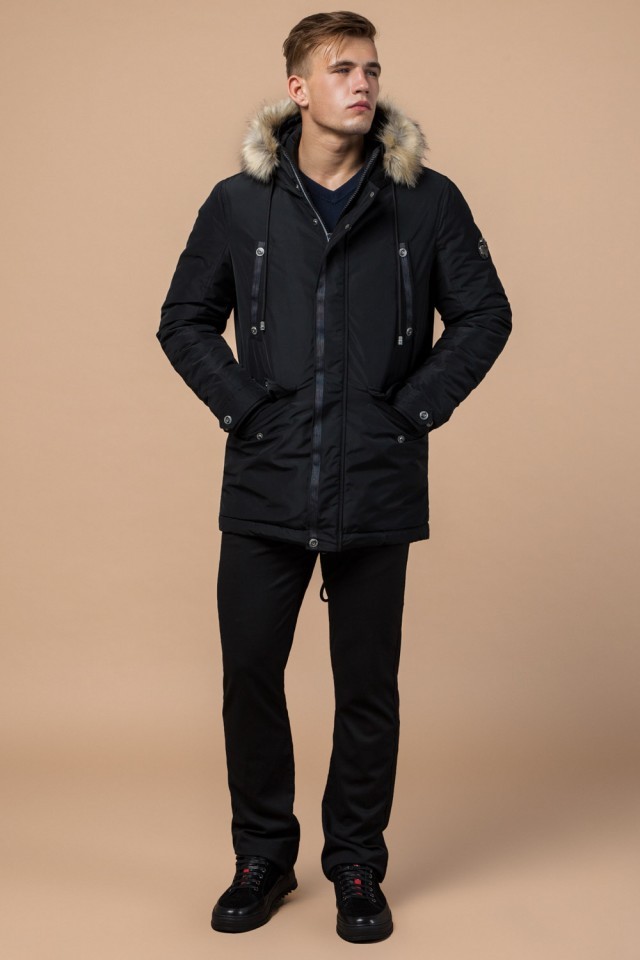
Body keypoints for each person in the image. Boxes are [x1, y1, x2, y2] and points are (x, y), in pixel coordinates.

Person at [156, 10, 512, 944]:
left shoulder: (426, 201)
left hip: (375, 476)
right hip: (267, 477)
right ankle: (262, 856)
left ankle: (355, 861)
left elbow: (485, 314)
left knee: (367, 688)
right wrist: (245, 408)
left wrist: (412, 410)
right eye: (342, 68)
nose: (362, 83)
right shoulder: (240, 203)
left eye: (372, 69)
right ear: (298, 89)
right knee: (249, 676)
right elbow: (184, 318)